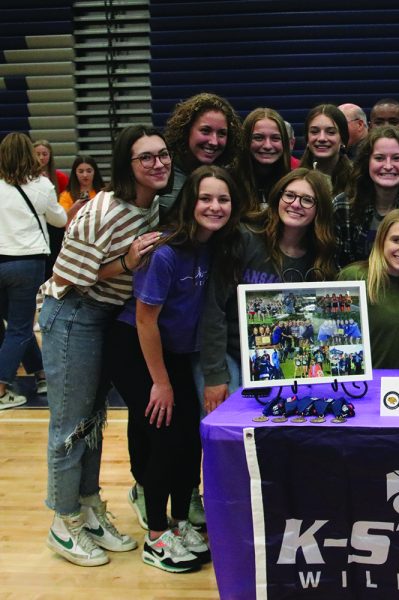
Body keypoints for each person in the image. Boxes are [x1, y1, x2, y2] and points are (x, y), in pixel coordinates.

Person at [40, 125, 170, 567]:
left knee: (92, 421)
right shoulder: (103, 211)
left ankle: (89, 507)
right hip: (72, 315)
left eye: (163, 154)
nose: (159, 163)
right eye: (146, 157)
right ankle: (63, 521)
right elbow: (66, 277)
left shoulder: (151, 207)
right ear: (126, 165)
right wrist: (126, 262)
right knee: (69, 425)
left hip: (104, 319)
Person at [107, 165, 241, 572]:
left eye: (223, 199)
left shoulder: (214, 246)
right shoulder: (164, 251)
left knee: (189, 440)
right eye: (205, 198)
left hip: (177, 352)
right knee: (164, 438)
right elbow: (146, 321)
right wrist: (160, 383)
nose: (214, 206)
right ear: (190, 201)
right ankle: (155, 535)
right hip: (137, 349)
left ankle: (181, 523)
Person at [200, 168, 338, 413]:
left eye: (307, 199)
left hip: (286, 362)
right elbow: (214, 308)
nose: (296, 204)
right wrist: (214, 375)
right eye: (289, 196)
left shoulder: (320, 259)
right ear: (278, 198)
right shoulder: (244, 238)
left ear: (320, 209)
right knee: (228, 429)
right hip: (231, 353)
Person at [0, 132, 66, 408]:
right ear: (29, 154)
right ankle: (1, 390)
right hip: (27, 262)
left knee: (15, 326)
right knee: (19, 328)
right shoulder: (41, 185)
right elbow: (59, 219)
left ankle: (41, 375)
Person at [333, 126, 399, 264]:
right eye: (379, 158)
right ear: (367, 162)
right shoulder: (343, 205)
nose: (388, 166)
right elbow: (336, 266)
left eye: (396, 158)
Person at [338, 209, 399, 368]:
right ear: (381, 241)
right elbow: (330, 340)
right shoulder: (354, 277)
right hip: (358, 389)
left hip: (395, 389)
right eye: (396, 240)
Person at [159, 92, 243, 216]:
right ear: (186, 130)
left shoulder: (229, 175)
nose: (214, 142)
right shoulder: (161, 170)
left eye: (221, 133)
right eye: (205, 131)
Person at [238, 107, 292, 213]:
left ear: (285, 143)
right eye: (258, 138)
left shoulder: (294, 183)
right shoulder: (228, 182)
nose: (267, 145)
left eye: (275, 138)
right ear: (246, 141)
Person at [298, 104, 353, 197]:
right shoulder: (295, 179)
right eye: (314, 132)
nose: (322, 138)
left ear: (342, 139)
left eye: (331, 132)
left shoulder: (357, 180)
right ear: (307, 139)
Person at [33, 138, 69, 277]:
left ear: (50, 155)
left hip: (56, 223)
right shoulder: (29, 178)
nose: (41, 157)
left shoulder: (60, 177)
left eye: (45, 154)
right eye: (38, 154)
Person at [58, 155, 105, 227]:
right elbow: (62, 222)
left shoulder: (104, 194)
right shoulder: (66, 196)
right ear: (75, 173)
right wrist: (75, 207)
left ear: (94, 172)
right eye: (81, 171)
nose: (85, 175)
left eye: (89, 171)